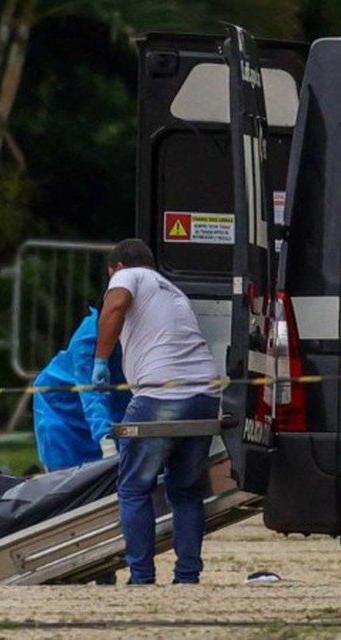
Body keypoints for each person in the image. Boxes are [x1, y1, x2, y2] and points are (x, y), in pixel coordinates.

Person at [93, 238, 221, 585]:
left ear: (117, 267)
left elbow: (115, 306)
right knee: (186, 490)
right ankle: (187, 577)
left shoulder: (127, 276)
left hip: (161, 397)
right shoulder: (172, 289)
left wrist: (101, 360)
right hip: (206, 397)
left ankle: (142, 577)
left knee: (134, 488)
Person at [32, 307, 130, 472]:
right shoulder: (87, 339)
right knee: (66, 477)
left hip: (111, 405)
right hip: (60, 407)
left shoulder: (137, 330)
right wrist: (106, 442)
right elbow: (91, 394)